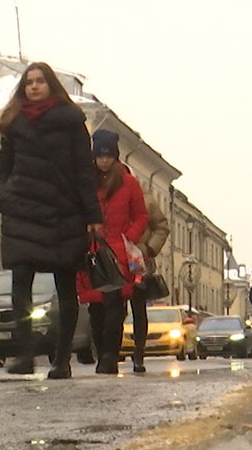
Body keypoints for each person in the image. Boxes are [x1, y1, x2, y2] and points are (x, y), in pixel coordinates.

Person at [0, 61, 103, 379]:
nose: (34, 86)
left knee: (65, 288)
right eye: (29, 82)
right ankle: (25, 354)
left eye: (40, 81)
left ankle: (61, 360)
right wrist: (5, 196)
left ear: (51, 85)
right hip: (23, 212)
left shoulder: (71, 122)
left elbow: (84, 170)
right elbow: (4, 166)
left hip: (63, 213)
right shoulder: (13, 123)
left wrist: (92, 216)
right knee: (20, 284)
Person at [78, 129, 148, 375]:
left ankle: (110, 354)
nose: (104, 160)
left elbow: (141, 216)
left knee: (115, 307)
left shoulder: (129, 183)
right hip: (93, 251)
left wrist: (129, 238)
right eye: (100, 156)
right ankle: (101, 352)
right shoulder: (86, 182)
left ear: (115, 157)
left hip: (119, 253)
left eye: (108, 156)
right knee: (96, 308)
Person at [127, 195, 170, 373]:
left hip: (139, 260)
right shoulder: (105, 196)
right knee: (114, 307)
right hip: (115, 256)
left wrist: (149, 248)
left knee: (138, 308)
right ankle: (109, 353)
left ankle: (139, 353)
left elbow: (162, 227)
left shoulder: (146, 201)